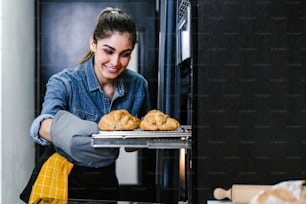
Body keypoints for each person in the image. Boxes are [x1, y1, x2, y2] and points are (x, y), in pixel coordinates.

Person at [22, 7, 151, 201]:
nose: (115, 62)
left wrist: (144, 136)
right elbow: (43, 125)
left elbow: (133, 146)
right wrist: (81, 133)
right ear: (93, 43)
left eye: (125, 54)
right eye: (108, 51)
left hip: (105, 177)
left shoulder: (138, 85)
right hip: (63, 174)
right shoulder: (65, 82)